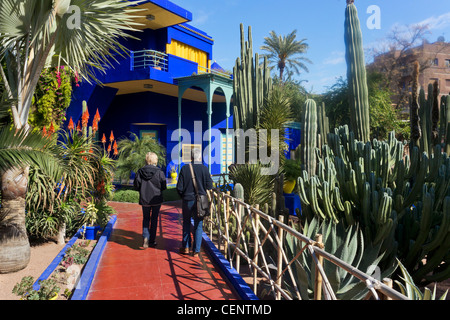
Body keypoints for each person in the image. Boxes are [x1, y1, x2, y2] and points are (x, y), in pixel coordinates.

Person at [176, 148, 213, 257]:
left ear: (191, 157)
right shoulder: (205, 169)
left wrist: (183, 197)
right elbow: (209, 186)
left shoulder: (184, 168)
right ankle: (196, 250)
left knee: (186, 222)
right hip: (200, 202)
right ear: (200, 157)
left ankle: (186, 246)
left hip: (187, 201)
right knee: (198, 224)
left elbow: (179, 188)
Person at [134, 152, 167, 248]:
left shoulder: (140, 171)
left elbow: (136, 186)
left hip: (145, 199)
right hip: (156, 199)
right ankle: (152, 240)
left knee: (146, 218)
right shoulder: (159, 172)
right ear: (155, 160)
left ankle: (145, 237)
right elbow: (164, 186)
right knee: (154, 219)